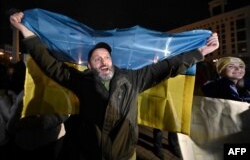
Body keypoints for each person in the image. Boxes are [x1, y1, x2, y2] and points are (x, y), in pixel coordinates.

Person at [10, 11, 219, 160]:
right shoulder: (81, 82)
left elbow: (168, 66)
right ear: (89, 66)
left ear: (112, 60)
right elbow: (48, 63)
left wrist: (201, 53)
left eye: (106, 57)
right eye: (96, 59)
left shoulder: (133, 79)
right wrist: (24, 29)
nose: (103, 61)